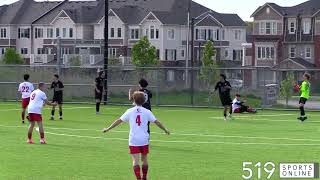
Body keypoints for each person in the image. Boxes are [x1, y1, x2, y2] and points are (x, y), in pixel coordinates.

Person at [103, 91, 170, 180]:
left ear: (134, 100)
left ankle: (138, 178)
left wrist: (108, 128)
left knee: (135, 160)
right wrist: (165, 129)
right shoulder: (147, 111)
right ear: (144, 101)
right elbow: (157, 122)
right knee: (145, 159)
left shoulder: (129, 111)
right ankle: (144, 177)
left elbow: (119, 121)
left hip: (134, 140)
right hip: (144, 139)